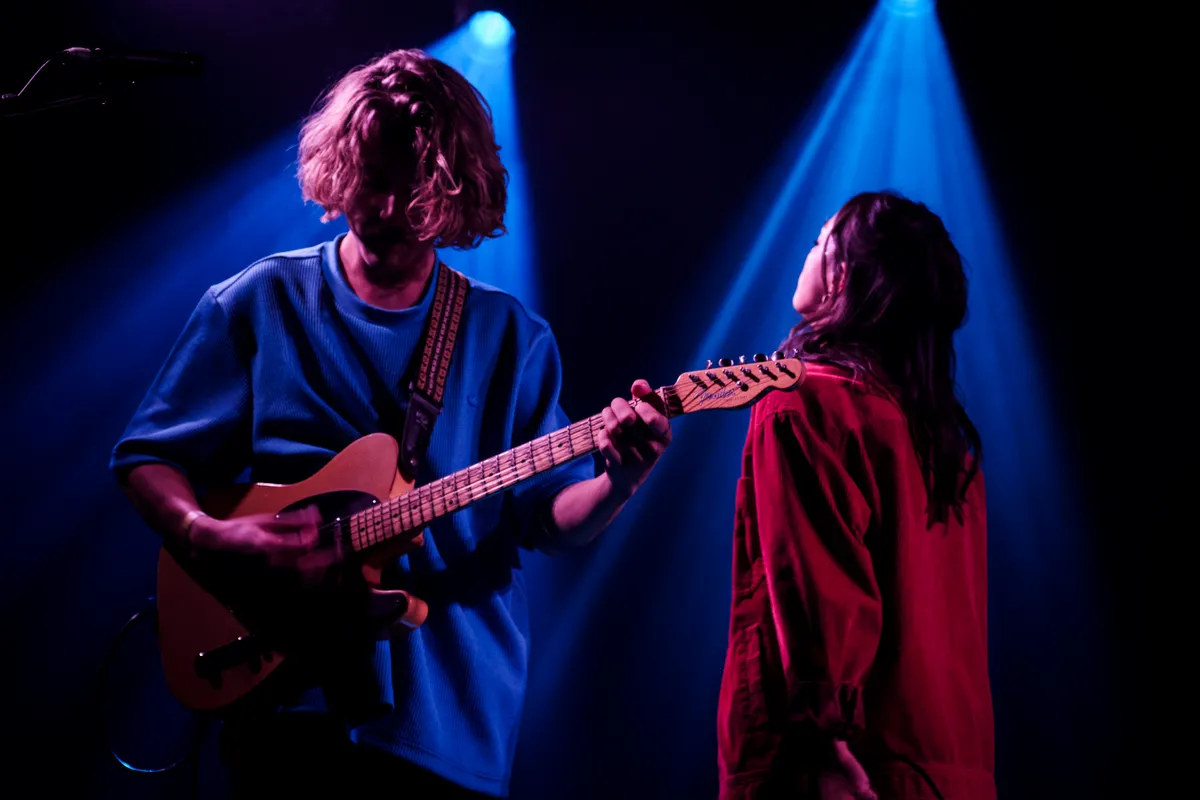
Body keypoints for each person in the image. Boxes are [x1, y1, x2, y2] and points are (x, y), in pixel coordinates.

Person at [110, 48, 671, 799]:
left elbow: (551, 520)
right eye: (367, 175)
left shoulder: (510, 338)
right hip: (287, 709)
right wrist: (208, 535)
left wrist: (620, 480)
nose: (377, 205)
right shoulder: (258, 301)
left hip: (447, 721)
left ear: (451, 187)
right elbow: (146, 457)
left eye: (406, 186)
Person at [717, 191, 995, 800]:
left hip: (843, 767)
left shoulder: (802, 403)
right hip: (953, 767)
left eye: (821, 239)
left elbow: (816, 587)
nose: (809, 249)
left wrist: (823, 740)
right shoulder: (949, 448)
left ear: (844, 274)